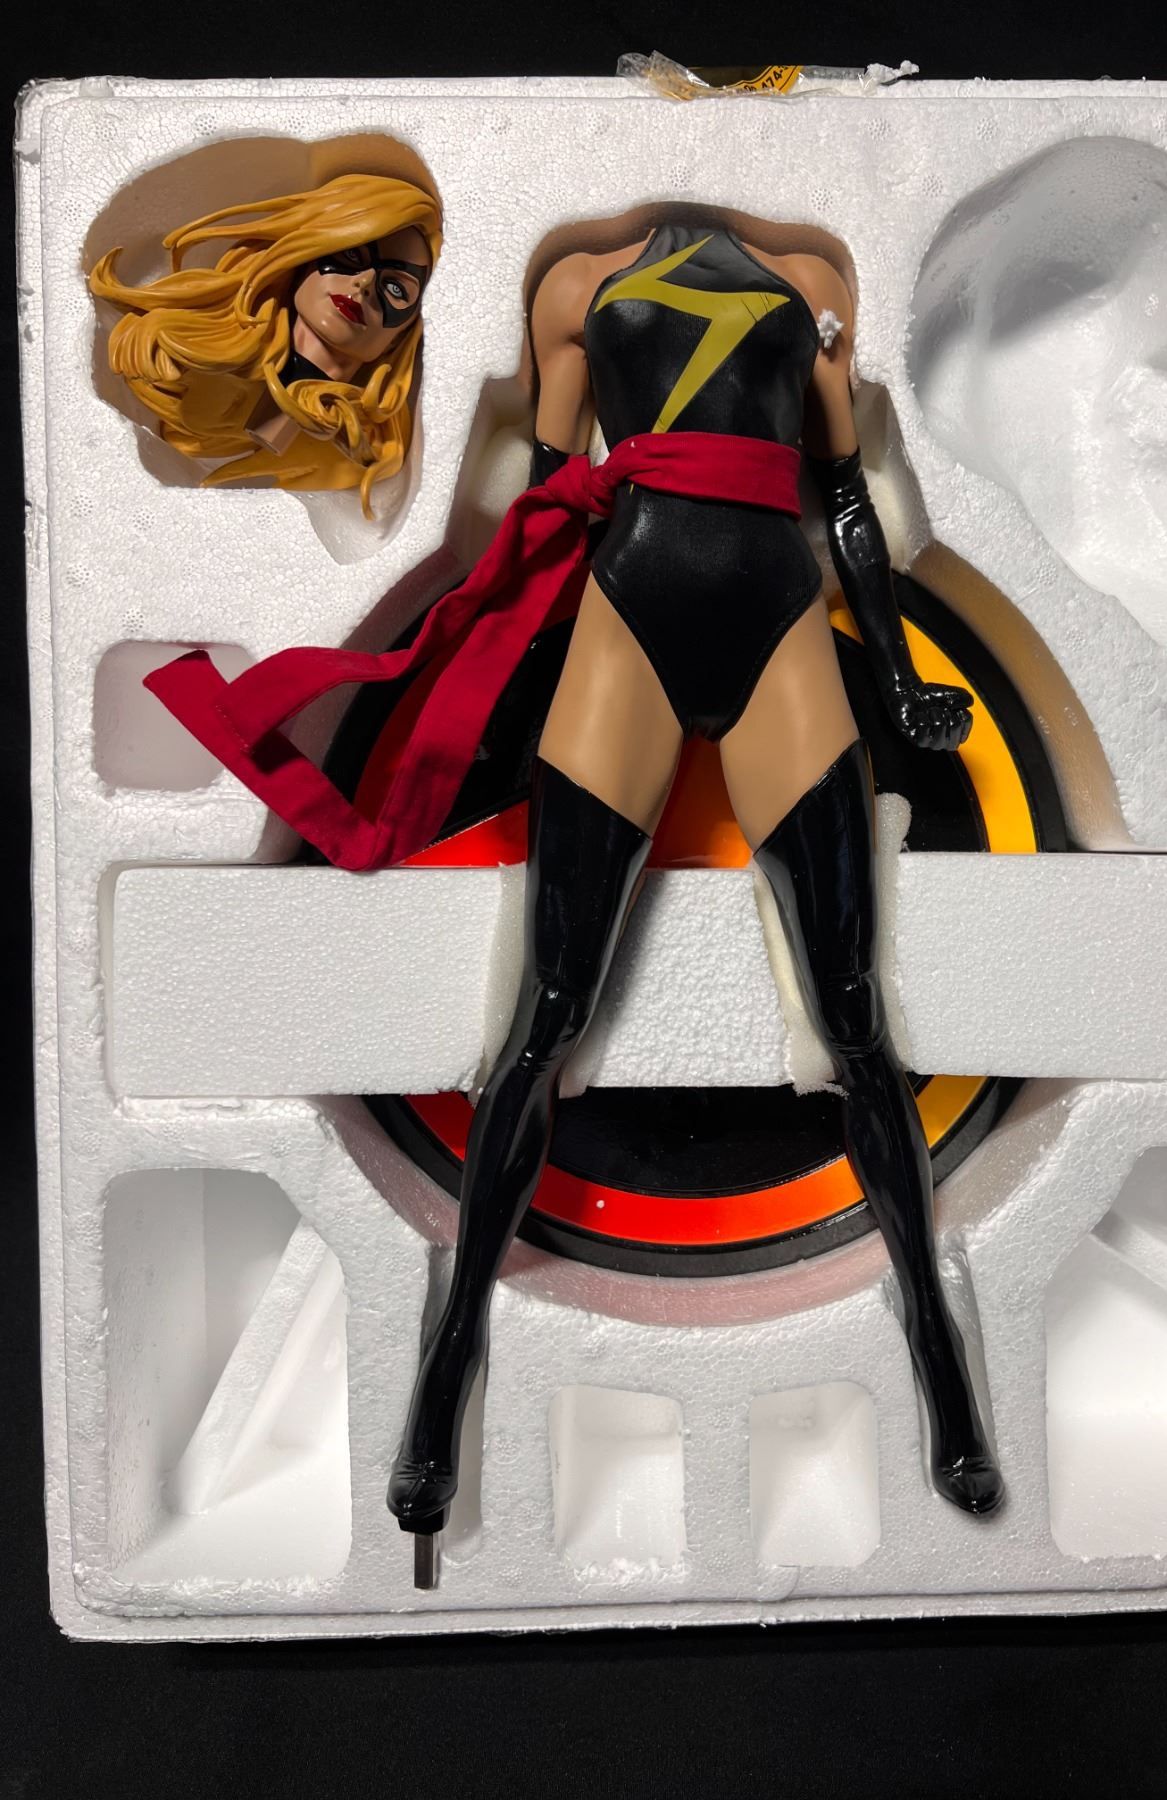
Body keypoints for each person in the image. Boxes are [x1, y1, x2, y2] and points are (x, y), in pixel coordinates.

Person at [143, 211, 1007, 1565]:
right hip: (627, 617)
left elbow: (841, 492)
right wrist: (498, 681)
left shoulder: (814, 278)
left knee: (855, 1015)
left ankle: (942, 1372)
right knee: (545, 1014)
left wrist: (894, 672)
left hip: (779, 617)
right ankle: (443, 1375)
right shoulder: (575, 284)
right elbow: (552, 495)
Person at [88, 172, 442, 516]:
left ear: (401, 335)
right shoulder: (184, 352)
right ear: (306, 256)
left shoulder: (363, 451)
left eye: (395, 288)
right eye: (351, 256)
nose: (363, 284)